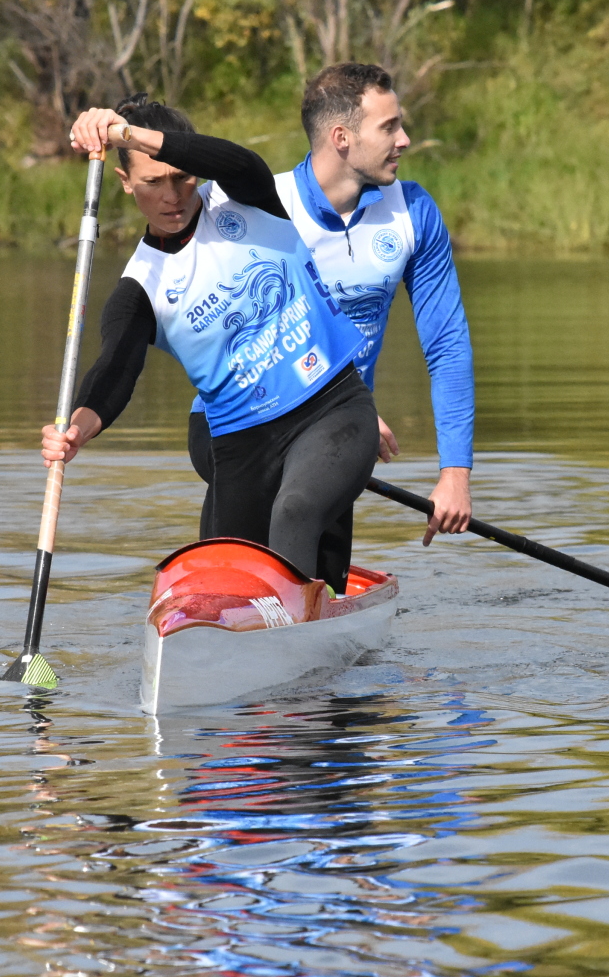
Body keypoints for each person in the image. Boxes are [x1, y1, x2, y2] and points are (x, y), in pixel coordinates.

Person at [37, 95, 378, 592]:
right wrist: (73, 432)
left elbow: (237, 160)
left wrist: (126, 134)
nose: (171, 196)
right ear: (125, 181)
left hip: (332, 409)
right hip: (242, 446)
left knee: (296, 509)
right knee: (224, 581)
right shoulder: (141, 286)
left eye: (182, 177)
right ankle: (302, 599)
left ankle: (300, 616)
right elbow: (115, 370)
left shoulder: (245, 195)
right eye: (153, 182)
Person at [189, 63, 475, 564]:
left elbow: (447, 345)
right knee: (284, 513)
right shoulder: (254, 204)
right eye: (389, 127)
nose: (405, 139)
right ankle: (236, 590)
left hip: (338, 431)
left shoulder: (413, 212)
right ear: (342, 137)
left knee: (301, 506)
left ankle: (292, 601)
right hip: (239, 419)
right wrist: (120, 128)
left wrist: (454, 474)